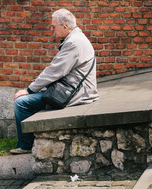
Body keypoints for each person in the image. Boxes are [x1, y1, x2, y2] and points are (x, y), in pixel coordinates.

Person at [10, 9, 98, 154]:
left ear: (64, 26)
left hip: (78, 94)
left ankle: (26, 145)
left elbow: (55, 70)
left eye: (53, 26)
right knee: (33, 98)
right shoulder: (75, 38)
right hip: (73, 88)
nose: (51, 29)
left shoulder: (74, 43)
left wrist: (29, 90)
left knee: (21, 102)